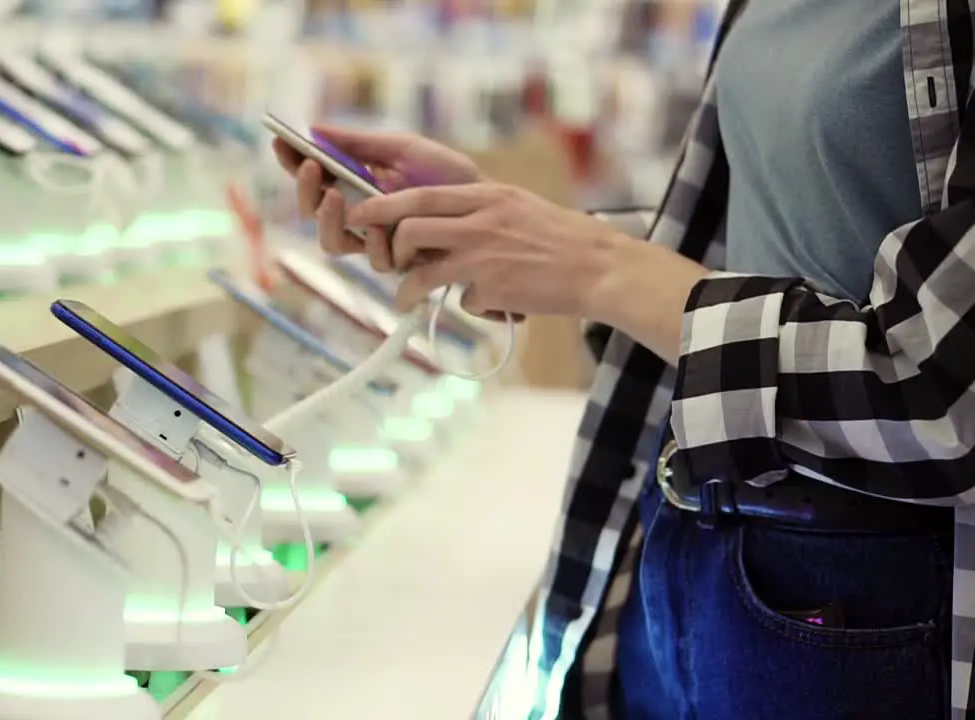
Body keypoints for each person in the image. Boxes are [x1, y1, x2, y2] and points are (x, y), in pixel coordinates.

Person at [272, 0, 975, 717]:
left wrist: (595, 266)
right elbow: (766, 247)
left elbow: (945, 394)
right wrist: (512, 234)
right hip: (683, 538)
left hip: (871, 592)